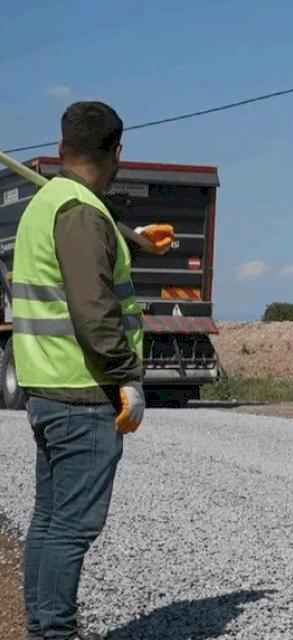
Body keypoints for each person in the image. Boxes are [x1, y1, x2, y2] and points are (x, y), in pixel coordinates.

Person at [15, 101, 145, 640]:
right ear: (117, 151)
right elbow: (94, 311)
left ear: (63, 145)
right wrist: (127, 377)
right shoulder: (81, 213)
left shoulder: (50, 202)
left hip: (49, 389)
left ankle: (45, 628)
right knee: (70, 529)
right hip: (83, 394)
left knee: (48, 523)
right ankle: (54, 632)